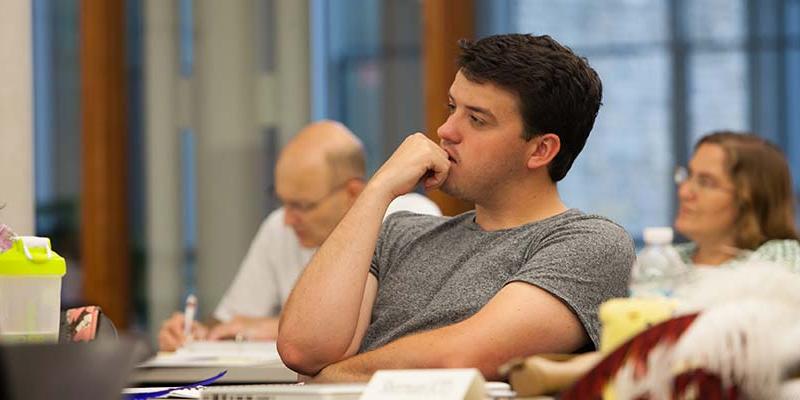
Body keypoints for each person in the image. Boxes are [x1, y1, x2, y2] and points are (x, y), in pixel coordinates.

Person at [277, 34, 635, 382]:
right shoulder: (399, 232)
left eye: (476, 119)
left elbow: (461, 358)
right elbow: (302, 350)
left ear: (540, 151)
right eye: (452, 108)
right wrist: (377, 190)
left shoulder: (589, 243)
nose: (446, 130)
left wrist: (333, 377)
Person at [157, 121, 440, 351]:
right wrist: (196, 333)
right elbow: (231, 321)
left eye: (302, 206)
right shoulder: (279, 227)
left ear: (353, 193)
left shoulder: (409, 219)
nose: (288, 219)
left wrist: (277, 328)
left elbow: (409, 332)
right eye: (283, 202)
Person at [673, 131, 800, 270]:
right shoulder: (668, 260)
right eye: (689, 175)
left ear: (750, 199)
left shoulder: (782, 257)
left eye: (706, 182)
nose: (683, 192)